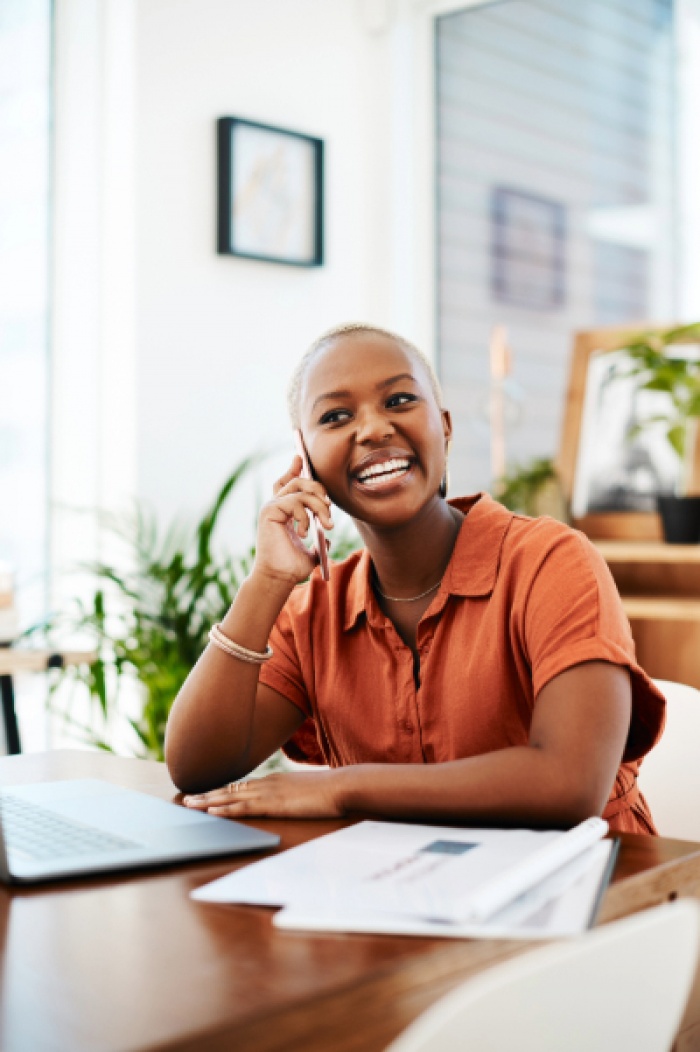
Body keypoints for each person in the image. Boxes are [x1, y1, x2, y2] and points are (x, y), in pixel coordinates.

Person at [165, 323, 665, 834]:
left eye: (399, 400)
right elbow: (196, 767)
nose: (374, 429)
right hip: (406, 890)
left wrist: (341, 788)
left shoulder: (551, 562)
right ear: (306, 459)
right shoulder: (315, 611)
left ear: (444, 427)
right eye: (336, 416)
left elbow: (568, 784)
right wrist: (267, 579)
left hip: (592, 890)